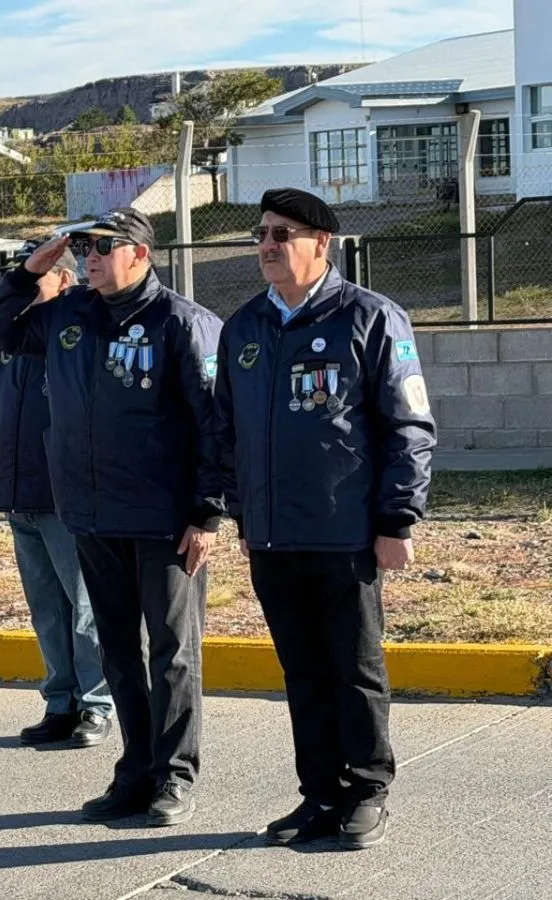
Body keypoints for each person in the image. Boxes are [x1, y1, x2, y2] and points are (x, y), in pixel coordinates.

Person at [0, 207, 224, 827]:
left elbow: (216, 429)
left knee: (171, 653)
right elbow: (1, 330)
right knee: (117, 650)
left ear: (140, 255)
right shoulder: (69, 315)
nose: (88, 256)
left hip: (165, 519)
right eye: (83, 247)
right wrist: (29, 268)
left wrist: (207, 514)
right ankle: (136, 772)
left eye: (103, 246)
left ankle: (173, 776)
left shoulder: (183, 324)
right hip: (91, 514)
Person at [213, 188, 437, 850]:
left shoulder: (370, 318)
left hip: (345, 533)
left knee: (354, 668)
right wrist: (241, 510)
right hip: (273, 535)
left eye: (283, 234)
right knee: (303, 672)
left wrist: (397, 521)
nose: (268, 246)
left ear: (322, 243)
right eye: (261, 234)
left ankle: (368, 790)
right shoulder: (245, 327)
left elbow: (409, 427)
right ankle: (320, 794)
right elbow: (225, 430)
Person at [0, 244, 113, 749]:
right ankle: (60, 700)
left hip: (64, 493)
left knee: (83, 606)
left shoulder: (76, 332)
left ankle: (97, 703)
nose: (21, 286)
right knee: (46, 608)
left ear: (63, 280)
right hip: (21, 490)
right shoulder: (14, 335)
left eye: (35, 275)